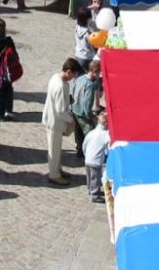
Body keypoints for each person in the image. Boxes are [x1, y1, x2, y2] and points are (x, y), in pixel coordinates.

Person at [42, 58, 80, 186]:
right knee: (54, 149)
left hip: (53, 119)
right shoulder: (60, 86)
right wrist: (71, 120)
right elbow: (60, 111)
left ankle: (57, 170)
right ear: (69, 72)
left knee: (57, 148)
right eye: (73, 75)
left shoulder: (55, 77)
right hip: (55, 121)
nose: (73, 78)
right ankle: (54, 175)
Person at [0, 17, 18, 121]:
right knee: (8, 89)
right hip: (6, 71)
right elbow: (15, 56)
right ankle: (7, 111)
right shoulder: (8, 41)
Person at [72, 59, 102, 157]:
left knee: (78, 132)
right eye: (99, 73)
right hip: (82, 113)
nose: (99, 75)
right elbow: (87, 102)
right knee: (90, 132)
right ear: (94, 71)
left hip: (74, 109)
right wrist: (89, 115)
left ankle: (79, 150)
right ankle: (89, 153)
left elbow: (73, 90)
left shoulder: (80, 78)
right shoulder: (90, 84)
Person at [82, 112, 110, 204]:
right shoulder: (106, 134)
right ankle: (95, 194)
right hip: (96, 160)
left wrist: (85, 154)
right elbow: (109, 146)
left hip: (88, 158)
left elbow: (84, 144)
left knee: (89, 176)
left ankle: (90, 189)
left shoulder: (91, 133)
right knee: (95, 178)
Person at [74, 8, 96, 72]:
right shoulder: (87, 33)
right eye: (89, 18)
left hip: (78, 55)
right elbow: (92, 46)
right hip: (87, 57)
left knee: (78, 76)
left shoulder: (77, 27)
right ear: (86, 19)